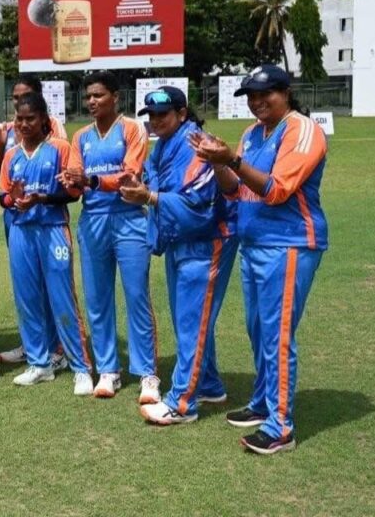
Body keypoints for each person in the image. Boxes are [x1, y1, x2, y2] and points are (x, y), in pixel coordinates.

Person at [190, 65, 328, 454]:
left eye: (265, 93)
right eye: (250, 95)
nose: (256, 102)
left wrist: (232, 160)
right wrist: (218, 163)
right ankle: (265, 402)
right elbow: (236, 191)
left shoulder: (301, 130)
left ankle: (281, 426)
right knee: (258, 330)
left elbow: (278, 190)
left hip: (289, 242)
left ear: (286, 92)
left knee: (277, 335)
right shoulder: (253, 133)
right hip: (254, 242)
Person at [119, 87, 238, 424]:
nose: (156, 121)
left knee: (191, 322)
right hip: (181, 239)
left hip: (206, 239)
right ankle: (209, 384)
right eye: (151, 116)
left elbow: (200, 207)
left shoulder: (197, 144)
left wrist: (149, 197)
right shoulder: (165, 145)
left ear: (182, 114)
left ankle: (182, 403)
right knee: (190, 319)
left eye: (163, 114)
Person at [60, 70, 160, 402]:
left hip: (129, 218)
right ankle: (108, 370)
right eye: (88, 96)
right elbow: (76, 178)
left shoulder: (132, 129)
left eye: (99, 95)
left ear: (115, 97)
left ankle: (147, 373)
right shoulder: (80, 136)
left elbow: (130, 175)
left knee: (136, 296)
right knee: (97, 298)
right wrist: (70, 182)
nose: (92, 101)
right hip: (93, 221)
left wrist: (91, 180)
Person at [0, 92, 94, 393]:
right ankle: (39, 364)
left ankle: (80, 367)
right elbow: (2, 197)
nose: (24, 124)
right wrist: (14, 198)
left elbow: (73, 193)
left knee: (62, 297)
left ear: (43, 119)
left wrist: (42, 198)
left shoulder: (60, 148)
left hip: (52, 229)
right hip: (21, 231)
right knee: (27, 298)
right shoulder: (12, 155)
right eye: (19, 119)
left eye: (30, 118)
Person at [0, 75, 69, 367]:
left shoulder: (53, 129)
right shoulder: (10, 129)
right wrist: (0, 145)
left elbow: (62, 178)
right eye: (15, 98)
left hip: (46, 218)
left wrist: (41, 197)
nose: (19, 102)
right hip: (15, 218)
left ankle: (56, 345)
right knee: (26, 284)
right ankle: (32, 345)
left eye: (25, 96)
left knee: (51, 284)